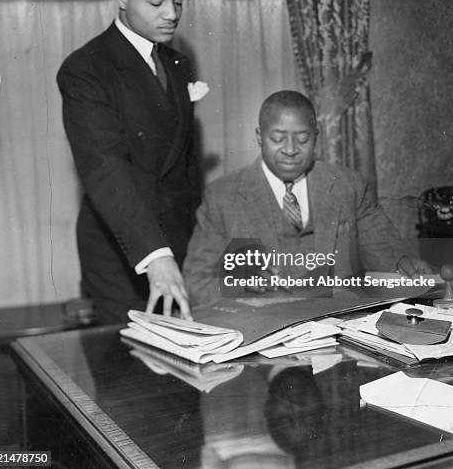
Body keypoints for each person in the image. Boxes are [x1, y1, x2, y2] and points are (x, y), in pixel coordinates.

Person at [57, 0, 201, 324]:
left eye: (178, 1)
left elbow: (185, 167)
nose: (171, 14)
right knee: (131, 370)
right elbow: (105, 168)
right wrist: (155, 255)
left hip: (177, 242)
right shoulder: (85, 69)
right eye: (157, 2)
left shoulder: (177, 63)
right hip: (123, 249)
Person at [183, 90, 431, 307]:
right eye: (277, 138)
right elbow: (196, 281)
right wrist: (240, 286)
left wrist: (403, 263)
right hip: (265, 333)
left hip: (339, 326)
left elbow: (380, 246)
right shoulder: (222, 197)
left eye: (302, 139)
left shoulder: (348, 186)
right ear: (259, 136)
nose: (290, 150)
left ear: (316, 136)